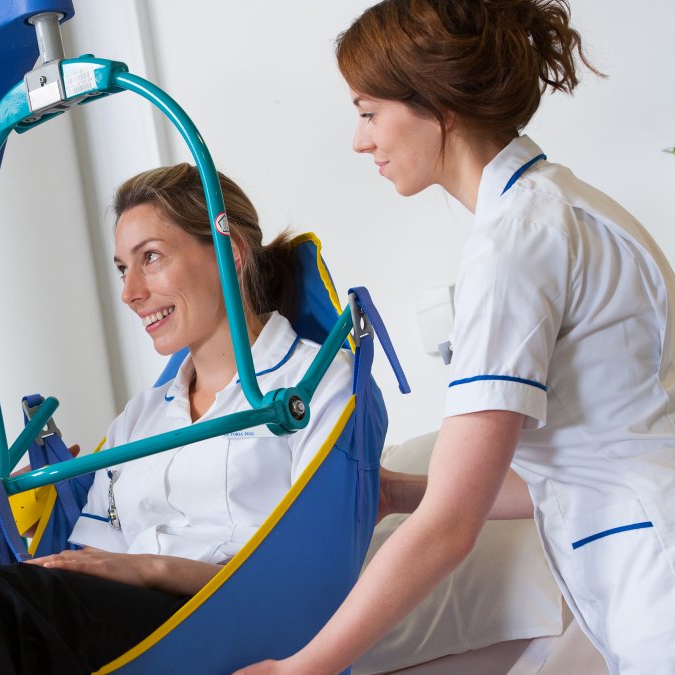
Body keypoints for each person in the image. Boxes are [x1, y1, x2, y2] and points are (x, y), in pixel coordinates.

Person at [238, 1, 675, 673]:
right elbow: (566, 476)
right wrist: (400, 491)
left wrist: (302, 666)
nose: (360, 141)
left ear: (436, 104)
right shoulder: (570, 205)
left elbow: (449, 529)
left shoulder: (514, 246)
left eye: (367, 112)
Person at [0, 163, 356, 674]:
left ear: (230, 253)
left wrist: (152, 571)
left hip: (215, 616)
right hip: (121, 610)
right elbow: (88, 555)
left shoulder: (315, 383)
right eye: (121, 269)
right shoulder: (142, 416)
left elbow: (313, 575)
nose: (131, 292)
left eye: (151, 258)